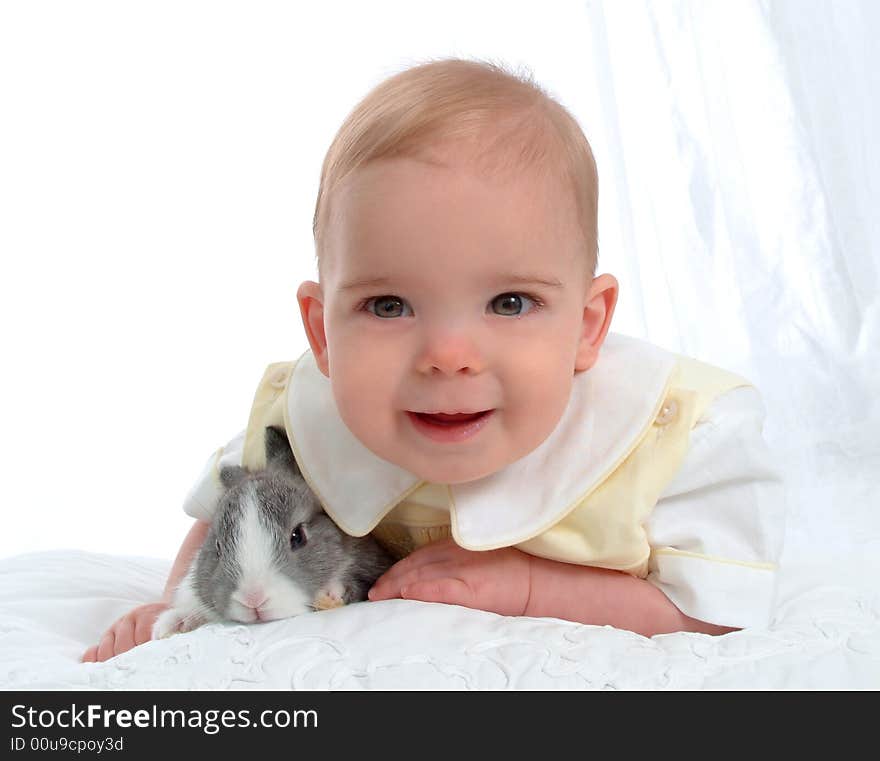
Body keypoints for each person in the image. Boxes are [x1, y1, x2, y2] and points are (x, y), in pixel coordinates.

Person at [82, 57, 784, 663]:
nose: (448, 357)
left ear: (586, 325)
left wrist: (531, 586)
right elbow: (227, 516)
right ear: (323, 332)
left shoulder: (664, 434)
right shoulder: (304, 422)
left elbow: (712, 612)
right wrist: (179, 602)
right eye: (389, 306)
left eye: (510, 302)